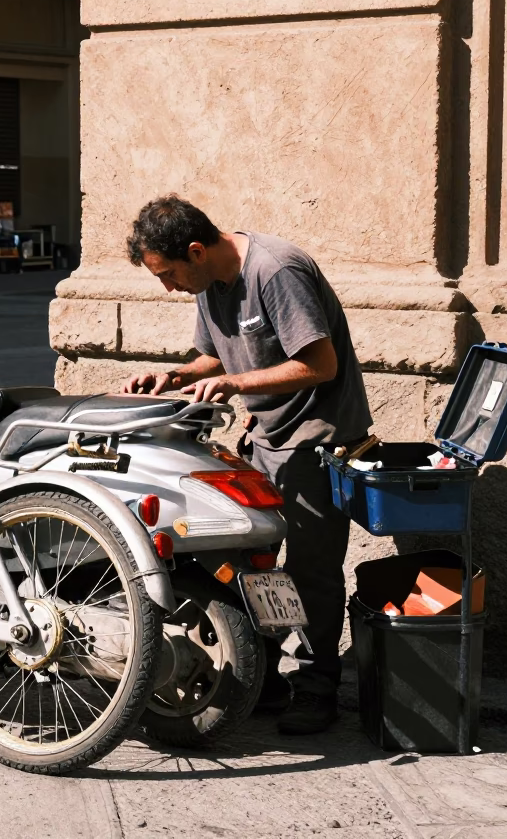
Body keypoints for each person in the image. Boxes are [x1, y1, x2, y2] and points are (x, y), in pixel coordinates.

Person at [121, 194, 372, 734]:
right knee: (246, 561)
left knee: (313, 573)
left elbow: (320, 363)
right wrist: (176, 377)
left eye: (167, 274)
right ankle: (268, 678)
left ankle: (318, 686)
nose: (167, 288)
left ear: (195, 250)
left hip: (315, 440)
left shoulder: (275, 270)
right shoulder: (208, 282)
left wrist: (233, 384)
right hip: (263, 439)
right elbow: (215, 355)